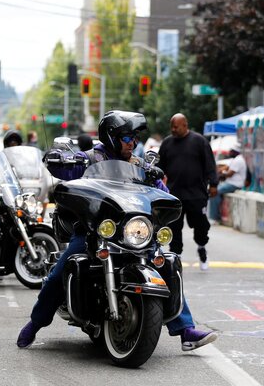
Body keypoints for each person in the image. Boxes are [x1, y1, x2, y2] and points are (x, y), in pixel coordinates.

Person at [17, 110, 218, 351]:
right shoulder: (89, 159)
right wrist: (57, 158)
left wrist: (157, 178)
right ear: (111, 137)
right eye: (127, 138)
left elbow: (164, 192)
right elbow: (62, 171)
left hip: (133, 232)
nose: (132, 143)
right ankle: (35, 323)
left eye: (134, 138)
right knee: (64, 267)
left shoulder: (140, 165)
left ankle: (186, 330)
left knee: (165, 264)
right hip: (96, 231)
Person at [158, 113, 218, 271]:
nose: (173, 129)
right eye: (171, 126)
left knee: (201, 226)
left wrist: (214, 184)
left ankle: (201, 247)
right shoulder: (167, 143)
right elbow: (159, 167)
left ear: (185, 125)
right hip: (174, 194)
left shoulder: (199, 141)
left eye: (176, 126)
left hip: (196, 194)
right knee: (174, 227)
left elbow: (210, 164)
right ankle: (175, 257)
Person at [208, 142, 246, 223]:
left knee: (215, 191)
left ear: (235, 151)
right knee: (214, 190)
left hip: (235, 184)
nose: (229, 152)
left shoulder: (238, 160)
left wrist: (221, 174)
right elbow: (226, 168)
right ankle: (215, 215)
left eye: (231, 151)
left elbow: (229, 174)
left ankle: (214, 217)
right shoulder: (235, 159)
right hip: (231, 183)